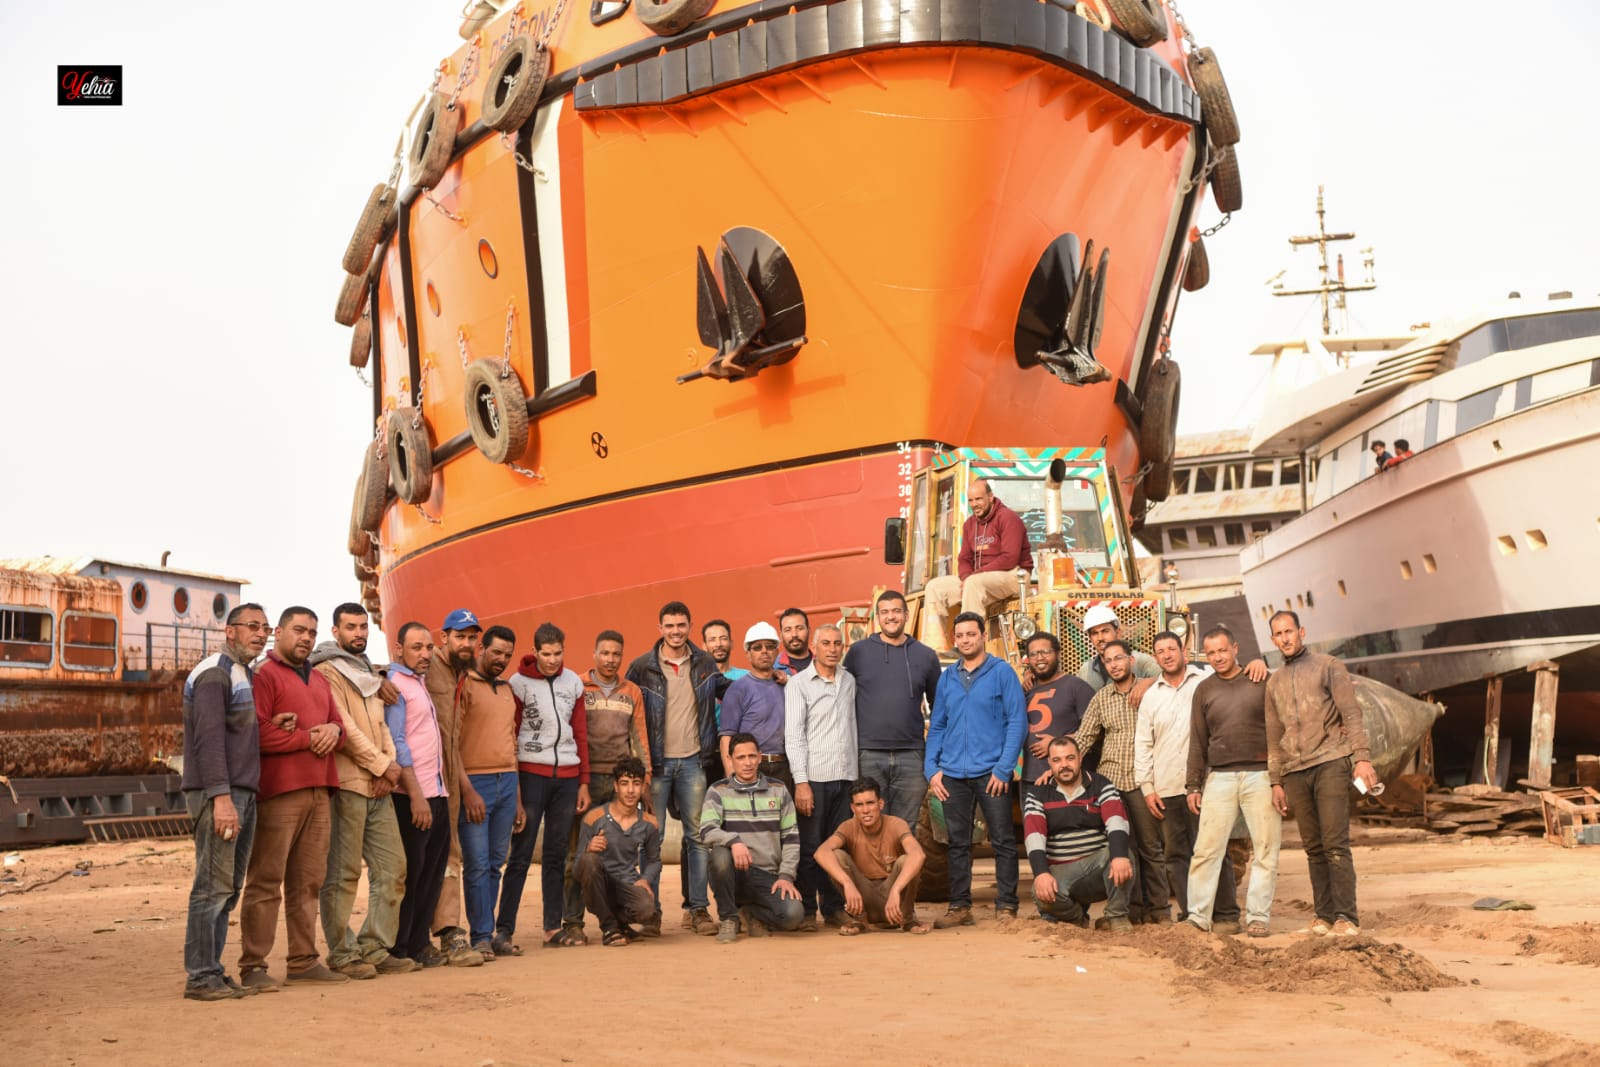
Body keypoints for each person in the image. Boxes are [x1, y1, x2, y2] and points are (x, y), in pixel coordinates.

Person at [239, 606, 346, 992]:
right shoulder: (264, 676)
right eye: (299, 630)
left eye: (312, 633)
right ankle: (253, 965)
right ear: (279, 632)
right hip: (280, 793)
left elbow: (339, 728)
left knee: (309, 881)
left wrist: (333, 731)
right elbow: (257, 732)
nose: (306, 638)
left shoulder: (318, 678)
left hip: (320, 790)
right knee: (266, 880)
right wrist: (307, 738)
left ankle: (303, 960)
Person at [312, 603, 414, 978]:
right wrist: (382, 765)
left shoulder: (366, 670)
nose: (359, 633)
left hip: (379, 786)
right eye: (351, 627)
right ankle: (342, 953)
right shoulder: (326, 671)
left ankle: (374, 946)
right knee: (343, 873)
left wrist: (390, 767)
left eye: (363, 626)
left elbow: (381, 724)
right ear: (335, 632)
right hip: (348, 784)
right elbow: (345, 729)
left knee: (393, 868)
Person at [1265, 611, 1375, 937]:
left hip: (1330, 761)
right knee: (1313, 848)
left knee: (1335, 844)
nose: (1285, 638)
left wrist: (1362, 759)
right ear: (1272, 640)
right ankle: (1323, 917)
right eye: (1278, 634)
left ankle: (1346, 917)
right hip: (1294, 771)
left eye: (1289, 631)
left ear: (1301, 632)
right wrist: (1275, 780)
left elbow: (1351, 714)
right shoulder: (1273, 682)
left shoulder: (1328, 666)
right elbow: (1273, 735)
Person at [180, 603, 268, 1001]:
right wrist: (221, 798)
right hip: (222, 793)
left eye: (265, 627)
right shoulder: (215, 672)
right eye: (252, 626)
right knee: (212, 888)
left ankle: (212, 970)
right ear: (230, 631)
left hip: (240, 792)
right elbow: (209, 739)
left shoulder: (240, 672)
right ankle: (200, 977)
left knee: (228, 888)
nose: (260, 633)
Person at [626, 601, 729, 936]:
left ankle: (698, 909)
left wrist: (772, 680)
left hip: (694, 762)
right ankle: (651, 912)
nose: (675, 631)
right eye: (669, 626)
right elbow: (624, 704)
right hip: (656, 766)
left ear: (689, 626)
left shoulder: (704, 663)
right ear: (660, 629)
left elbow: (732, 691)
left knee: (697, 837)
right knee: (651, 839)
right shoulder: (641, 667)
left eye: (681, 625)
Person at [924, 612, 1026, 928]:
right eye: (960, 635)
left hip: (991, 773)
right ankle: (960, 907)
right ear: (955, 639)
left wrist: (1004, 768)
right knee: (957, 843)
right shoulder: (948, 678)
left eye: (971, 634)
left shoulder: (1002, 672)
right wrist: (931, 769)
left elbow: (1017, 722)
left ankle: (1006, 905)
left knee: (1002, 841)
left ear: (983, 636)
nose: (965, 640)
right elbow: (937, 724)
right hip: (953, 774)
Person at [1134, 630, 1239, 931]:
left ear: (1183, 651)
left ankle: (1226, 915)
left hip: (1207, 784)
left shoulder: (1205, 681)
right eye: (1160, 651)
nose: (1167, 655)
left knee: (1215, 849)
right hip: (1166, 786)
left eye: (1172, 649)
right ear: (1155, 658)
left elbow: (1232, 672)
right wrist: (1147, 788)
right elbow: (1143, 743)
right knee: (1176, 855)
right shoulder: (1151, 696)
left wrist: (1254, 664)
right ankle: (1193, 915)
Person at [1186, 625, 1280, 938]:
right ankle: (1198, 916)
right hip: (1219, 778)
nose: (1217, 657)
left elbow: (1280, 726)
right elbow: (1198, 740)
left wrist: (1278, 779)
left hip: (1261, 775)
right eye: (1211, 653)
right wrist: (1193, 785)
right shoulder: (1204, 689)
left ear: (1236, 649)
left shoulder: (1260, 679)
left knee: (1265, 849)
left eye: (1222, 650)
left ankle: (1258, 918)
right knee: (1206, 850)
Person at [502, 622, 590, 950]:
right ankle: (504, 929)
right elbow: (510, 734)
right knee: (520, 855)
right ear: (535, 651)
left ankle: (552, 928)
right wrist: (516, 788)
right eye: (547, 654)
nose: (553, 660)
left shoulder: (573, 683)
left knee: (556, 854)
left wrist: (583, 782)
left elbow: (580, 734)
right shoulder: (518, 683)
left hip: (567, 778)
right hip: (531, 775)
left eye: (558, 653)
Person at [561, 630, 652, 943]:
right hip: (584, 782)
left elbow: (639, 738)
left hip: (618, 785)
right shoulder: (577, 686)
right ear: (594, 654)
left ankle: (615, 922)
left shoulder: (631, 691)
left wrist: (644, 782)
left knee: (617, 855)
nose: (611, 660)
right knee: (577, 853)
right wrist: (578, 780)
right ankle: (572, 922)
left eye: (616, 654)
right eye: (605, 653)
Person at [1074, 640, 1168, 923]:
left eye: (1119, 658)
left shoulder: (1152, 691)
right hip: (1112, 784)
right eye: (1108, 660)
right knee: (1124, 849)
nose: (1114, 664)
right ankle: (1133, 909)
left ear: (1131, 660)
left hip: (1144, 782)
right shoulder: (1101, 698)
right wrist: (1058, 764)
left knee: (1151, 848)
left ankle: (1159, 910)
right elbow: (1084, 738)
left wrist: (1151, 681)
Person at [384, 621, 453, 966]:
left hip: (437, 792)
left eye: (428, 647)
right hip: (413, 796)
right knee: (412, 874)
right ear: (398, 649)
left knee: (431, 873)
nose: (425, 654)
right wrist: (415, 796)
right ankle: (400, 947)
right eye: (416, 648)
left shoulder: (418, 682)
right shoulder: (395, 685)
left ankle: (419, 943)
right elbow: (397, 743)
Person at [455, 623, 526, 958]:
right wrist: (467, 790)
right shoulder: (464, 685)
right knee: (478, 863)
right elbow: (451, 742)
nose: (501, 659)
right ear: (481, 649)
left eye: (507, 655)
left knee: (496, 862)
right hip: (476, 782)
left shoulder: (507, 690)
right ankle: (480, 936)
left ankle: (490, 932)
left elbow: (512, 744)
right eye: (496, 652)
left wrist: (518, 800)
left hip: (507, 783)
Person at [843, 590, 941, 826]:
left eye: (896, 611)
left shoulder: (926, 656)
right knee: (870, 825)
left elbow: (939, 708)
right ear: (878, 617)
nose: (891, 617)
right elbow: (840, 698)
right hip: (868, 754)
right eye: (885, 612)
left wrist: (935, 755)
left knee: (905, 827)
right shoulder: (858, 652)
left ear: (906, 614)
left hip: (912, 755)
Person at [421, 608, 486, 967]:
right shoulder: (426, 666)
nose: (467, 643)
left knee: (449, 855)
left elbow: (451, 741)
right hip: (419, 781)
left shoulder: (461, 674)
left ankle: (448, 933)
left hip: (448, 782)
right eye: (460, 636)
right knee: (417, 858)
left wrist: (466, 787)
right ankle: (411, 938)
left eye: (472, 637)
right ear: (443, 637)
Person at [784, 623, 859, 929]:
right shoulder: (798, 685)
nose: (832, 648)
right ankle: (805, 910)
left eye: (837, 643)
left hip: (845, 776)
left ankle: (833, 908)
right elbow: (793, 737)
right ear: (813, 648)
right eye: (825, 643)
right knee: (810, 846)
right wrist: (801, 782)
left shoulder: (849, 681)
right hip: (814, 778)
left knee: (836, 846)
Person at [700, 733, 805, 942]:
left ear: (759, 757)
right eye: (740, 757)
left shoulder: (779, 789)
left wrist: (786, 876)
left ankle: (750, 914)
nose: (747, 763)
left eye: (751, 756)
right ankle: (729, 918)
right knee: (720, 855)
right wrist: (734, 841)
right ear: (730, 759)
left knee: (794, 915)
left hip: (768, 876)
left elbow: (791, 837)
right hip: (736, 874)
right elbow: (706, 830)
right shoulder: (718, 790)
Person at [1023, 736, 1134, 931]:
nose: (1064, 765)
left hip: (1099, 869)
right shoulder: (1037, 794)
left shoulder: (1101, 784)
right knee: (1040, 892)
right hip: (1063, 872)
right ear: (1049, 763)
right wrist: (1041, 873)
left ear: (1080, 758)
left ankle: (1116, 917)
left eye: (1070, 758)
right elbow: (1034, 837)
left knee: (1123, 854)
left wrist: (1119, 856)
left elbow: (1117, 822)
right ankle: (1076, 917)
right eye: (1057, 760)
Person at [919, 478, 1034, 650]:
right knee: (934, 587)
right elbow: (964, 559)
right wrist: (965, 577)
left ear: (990, 497)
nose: (974, 504)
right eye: (971, 500)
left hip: (1015, 576)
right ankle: (933, 648)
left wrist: (973, 577)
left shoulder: (1008, 518)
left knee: (974, 583)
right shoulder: (970, 524)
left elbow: (1009, 558)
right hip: (979, 579)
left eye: (979, 499)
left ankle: (967, 645)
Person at [811, 779, 928, 935]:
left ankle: (907, 920)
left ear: (881, 804)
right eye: (859, 805)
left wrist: (896, 890)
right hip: (864, 898)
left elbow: (918, 854)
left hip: (894, 902)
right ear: (853, 808)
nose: (865, 810)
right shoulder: (848, 827)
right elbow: (821, 852)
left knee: (906, 860)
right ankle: (860, 921)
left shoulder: (896, 824)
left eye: (870, 803)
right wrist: (847, 883)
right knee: (836, 855)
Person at [574, 757, 661, 947]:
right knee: (589, 860)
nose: (630, 790)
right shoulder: (593, 818)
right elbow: (576, 867)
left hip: (626, 886)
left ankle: (621, 925)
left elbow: (654, 860)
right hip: (598, 886)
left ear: (643, 788)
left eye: (636, 784)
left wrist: (645, 879)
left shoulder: (649, 823)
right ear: (615, 786)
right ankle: (609, 928)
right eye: (624, 783)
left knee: (647, 909)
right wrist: (589, 848)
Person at [718, 622, 792, 796]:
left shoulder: (788, 685)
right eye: (757, 647)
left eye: (770, 646)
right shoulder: (738, 689)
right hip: (750, 768)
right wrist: (732, 776)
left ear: (777, 651)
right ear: (748, 654)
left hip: (784, 767)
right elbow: (726, 737)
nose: (764, 651)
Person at [1019, 632, 1096, 786]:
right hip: (1028, 777)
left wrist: (1057, 742)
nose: (1039, 658)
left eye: (1045, 652)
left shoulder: (1077, 687)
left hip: (1065, 778)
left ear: (1058, 654)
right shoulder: (1026, 689)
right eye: (1033, 654)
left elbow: (1096, 732)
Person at [1075, 604, 1160, 692]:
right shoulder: (1085, 670)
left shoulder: (1141, 661)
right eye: (1095, 633)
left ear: (1118, 633)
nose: (1100, 638)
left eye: (1105, 631)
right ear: (1090, 638)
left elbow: (1166, 679)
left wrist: (1149, 682)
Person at [776, 607, 813, 676]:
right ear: (781, 635)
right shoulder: (773, 669)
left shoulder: (823, 663)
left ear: (809, 631)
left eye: (799, 628)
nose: (794, 634)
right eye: (788, 630)